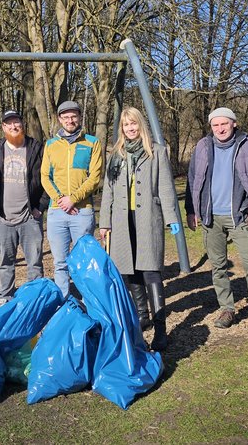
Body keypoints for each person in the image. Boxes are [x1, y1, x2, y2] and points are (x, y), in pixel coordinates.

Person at [185, 107, 248, 338]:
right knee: (218, 267)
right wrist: (191, 211)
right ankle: (227, 309)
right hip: (210, 217)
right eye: (215, 125)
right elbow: (192, 179)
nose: (220, 129)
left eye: (224, 124)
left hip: (241, 216)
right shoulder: (203, 147)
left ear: (234, 123)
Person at [98, 107, 180, 351]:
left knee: (151, 271)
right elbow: (108, 191)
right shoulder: (116, 154)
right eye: (126, 125)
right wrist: (104, 221)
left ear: (140, 125)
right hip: (122, 221)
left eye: (133, 124)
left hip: (148, 218)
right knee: (130, 271)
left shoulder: (156, 151)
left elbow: (165, 187)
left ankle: (161, 329)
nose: (130, 129)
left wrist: (171, 217)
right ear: (122, 129)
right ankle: (142, 315)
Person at [0, 110, 49, 305]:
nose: (13, 126)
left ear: (22, 124)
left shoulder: (36, 148)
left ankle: (35, 299)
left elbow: (48, 179)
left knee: (34, 262)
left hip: (29, 218)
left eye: (16, 122)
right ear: (3, 127)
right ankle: (5, 298)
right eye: (9, 124)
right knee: (6, 263)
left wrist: (40, 207)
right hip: (3, 219)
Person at [41, 100, 104, 297]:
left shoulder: (92, 143)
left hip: (82, 211)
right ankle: (64, 303)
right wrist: (61, 199)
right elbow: (45, 176)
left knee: (84, 261)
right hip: (56, 212)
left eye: (73, 116)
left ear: (79, 117)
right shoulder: (51, 145)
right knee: (60, 262)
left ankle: (89, 301)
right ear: (60, 119)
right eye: (66, 117)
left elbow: (95, 177)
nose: (70, 120)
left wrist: (73, 199)